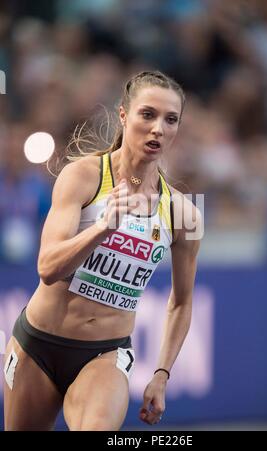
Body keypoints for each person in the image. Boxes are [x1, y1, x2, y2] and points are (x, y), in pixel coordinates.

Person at [3, 70, 202, 431]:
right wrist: (102, 228)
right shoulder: (83, 176)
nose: (158, 128)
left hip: (105, 353)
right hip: (38, 344)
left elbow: (182, 302)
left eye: (170, 120)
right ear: (124, 115)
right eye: (148, 114)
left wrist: (161, 374)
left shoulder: (184, 214)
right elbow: (47, 268)